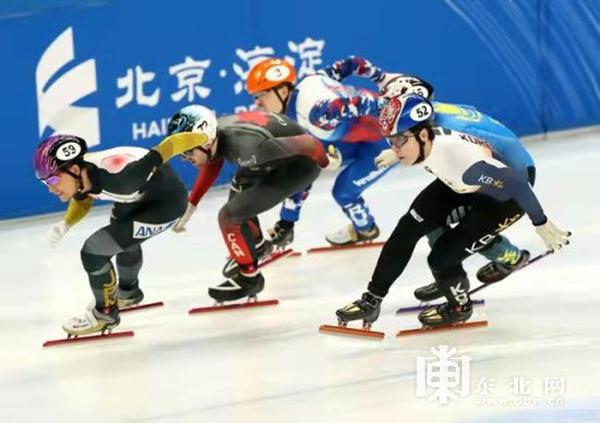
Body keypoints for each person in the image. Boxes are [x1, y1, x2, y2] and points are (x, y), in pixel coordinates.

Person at [336, 93, 570, 328]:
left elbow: (518, 185)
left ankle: (460, 304)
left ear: (424, 134)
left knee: (442, 258)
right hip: (473, 176)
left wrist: (541, 222)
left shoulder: (461, 159)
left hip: (508, 191)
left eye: (398, 141)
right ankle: (372, 300)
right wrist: (396, 148)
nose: (395, 148)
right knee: (409, 228)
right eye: (390, 140)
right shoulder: (424, 125)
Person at [34, 131, 208, 336]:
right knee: (122, 236)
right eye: (44, 182)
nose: (50, 189)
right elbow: (83, 197)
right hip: (139, 197)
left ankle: (105, 315)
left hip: (166, 204)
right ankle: (128, 292)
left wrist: (207, 137)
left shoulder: (124, 176)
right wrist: (66, 224)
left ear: (73, 169)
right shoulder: (81, 175)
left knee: (94, 251)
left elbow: (170, 145)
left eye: (52, 180)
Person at [170, 105, 329, 302]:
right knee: (237, 199)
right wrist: (192, 203)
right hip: (273, 157)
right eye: (181, 153)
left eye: (187, 152)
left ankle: (249, 279)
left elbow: (309, 144)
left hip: (299, 166)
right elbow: (212, 160)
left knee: (229, 216)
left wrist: (327, 160)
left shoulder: (249, 147)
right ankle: (258, 248)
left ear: (207, 141)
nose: (185, 159)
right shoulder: (217, 136)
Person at [246, 56, 392, 246]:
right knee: (302, 161)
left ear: (282, 91)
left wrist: (403, 114)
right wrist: (382, 78)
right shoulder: (310, 81)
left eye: (260, 95)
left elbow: (360, 103)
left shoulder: (316, 114)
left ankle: (366, 229)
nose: (257, 103)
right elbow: (353, 63)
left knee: (343, 191)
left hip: (384, 143)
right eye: (254, 97)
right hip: (355, 136)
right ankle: (287, 223)